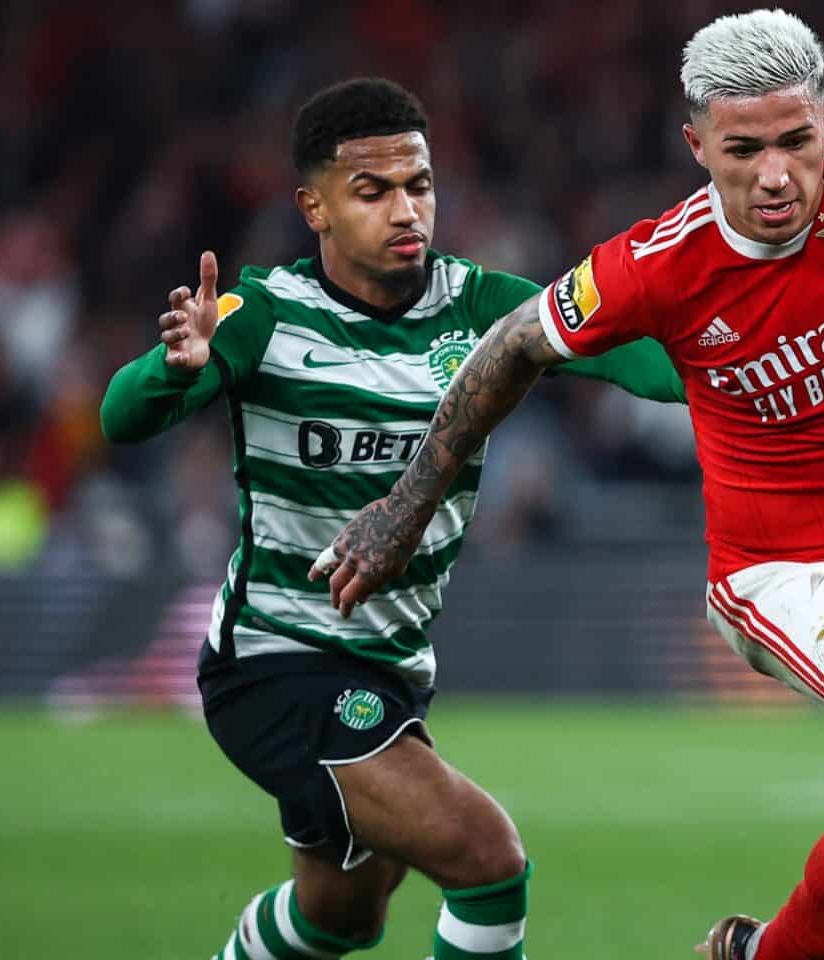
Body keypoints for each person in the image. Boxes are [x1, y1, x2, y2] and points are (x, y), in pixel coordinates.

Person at [310, 10, 824, 959]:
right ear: (697, 146)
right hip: (790, 569)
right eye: (744, 150)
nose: (776, 175)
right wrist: (403, 508)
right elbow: (513, 345)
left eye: (796, 141)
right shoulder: (657, 264)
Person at [99, 77, 685, 960]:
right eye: (371, 191)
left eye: (419, 185)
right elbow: (122, 417)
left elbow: (641, 363)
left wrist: (745, 356)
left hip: (394, 665)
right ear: (316, 208)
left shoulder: (482, 306)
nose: (405, 209)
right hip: (277, 663)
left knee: (340, 915)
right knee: (487, 859)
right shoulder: (266, 313)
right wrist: (173, 369)